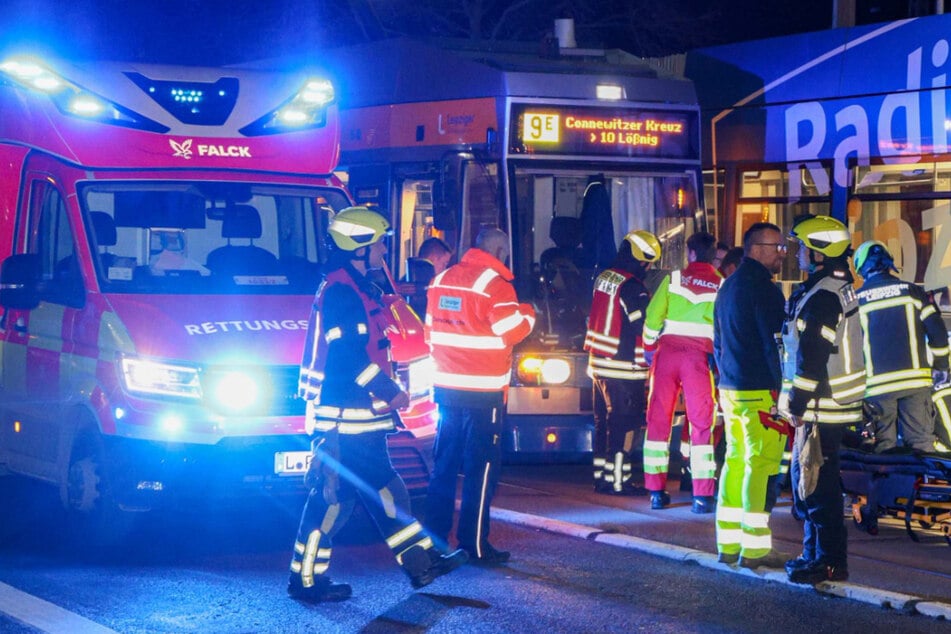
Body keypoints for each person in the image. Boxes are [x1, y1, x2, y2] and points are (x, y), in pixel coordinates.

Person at [289, 207, 467, 604]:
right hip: (345, 420)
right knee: (342, 499)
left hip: (355, 418)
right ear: (360, 247)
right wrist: (391, 391)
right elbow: (349, 358)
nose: (385, 250)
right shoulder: (341, 293)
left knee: (367, 494)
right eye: (380, 243)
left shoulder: (350, 287)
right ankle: (310, 580)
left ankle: (419, 563)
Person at [424, 227, 536, 564]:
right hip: (483, 393)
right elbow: (512, 331)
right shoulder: (496, 286)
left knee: (443, 467)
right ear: (500, 250)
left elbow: (430, 330)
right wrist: (529, 312)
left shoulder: (442, 280)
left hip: (446, 389)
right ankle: (473, 544)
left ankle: (434, 540)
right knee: (481, 469)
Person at [778, 215, 866, 585]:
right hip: (827, 405)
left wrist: (796, 404)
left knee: (817, 486)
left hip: (820, 407)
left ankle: (829, 561)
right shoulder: (831, 288)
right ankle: (814, 555)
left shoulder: (824, 296)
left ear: (818, 252)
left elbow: (811, 357)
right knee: (811, 482)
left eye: (802, 247)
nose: (797, 253)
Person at [713, 222, 788, 568]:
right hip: (761, 390)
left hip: (730, 387)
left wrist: (725, 377)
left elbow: (716, 342)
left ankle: (727, 544)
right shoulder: (766, 290)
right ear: (757, 249)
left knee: (735, 461)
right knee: (761, 465)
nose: (782, 254)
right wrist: (783, 390)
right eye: (777, 246)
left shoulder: (726, 287)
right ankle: (755, 549)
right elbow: (775, 346)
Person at [642, 231, 722, 513]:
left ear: (690, 253)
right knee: (701, 424)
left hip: (667, 356)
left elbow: (653, 318)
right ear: (712, 255)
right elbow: (723, 328)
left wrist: (648, 348)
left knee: (658, 420)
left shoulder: (673, 279)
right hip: (698, 360)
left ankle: (655, 491)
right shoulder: (721, 284)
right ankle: (702, 496)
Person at [583, 230, 662, 495]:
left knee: (604, 423)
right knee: (625, 424)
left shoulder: (605, 277)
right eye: (648, 264)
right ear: (642, 261)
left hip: (599, 361)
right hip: (625, 367)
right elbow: (642, 323)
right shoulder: (633, 287)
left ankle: (601, 477)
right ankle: (619, 481)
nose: (649, 269)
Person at [854, 239, 949, 453]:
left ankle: (889, 486)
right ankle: (921, 486)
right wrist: (941, 367)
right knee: (921, 444)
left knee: (883, 448)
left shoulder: (857, 301)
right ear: (889, 263)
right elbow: (938, 334)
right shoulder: (912, 292)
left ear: (861, 270)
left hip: (877, 388)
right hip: (916, 383)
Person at [403, 236, 453, 317]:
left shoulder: (404, 283)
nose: (445, 269)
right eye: (444, 263)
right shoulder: (431, 288)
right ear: (432, 259)